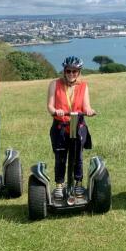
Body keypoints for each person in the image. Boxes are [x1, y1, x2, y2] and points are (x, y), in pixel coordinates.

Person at [47, 56, 95, 199]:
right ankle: (59, 185)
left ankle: (78, 183)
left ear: (79, 72)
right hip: (60, 126)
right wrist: (56, 111)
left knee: (77, 156)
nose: (71, 74)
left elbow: (86, 105)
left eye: (75, 71)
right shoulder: (54, 84)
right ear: (64, 71)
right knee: (60, 156)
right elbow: (50, 106)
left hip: (78, 125)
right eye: (68, 71)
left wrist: (89, 110)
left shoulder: (83, 86)